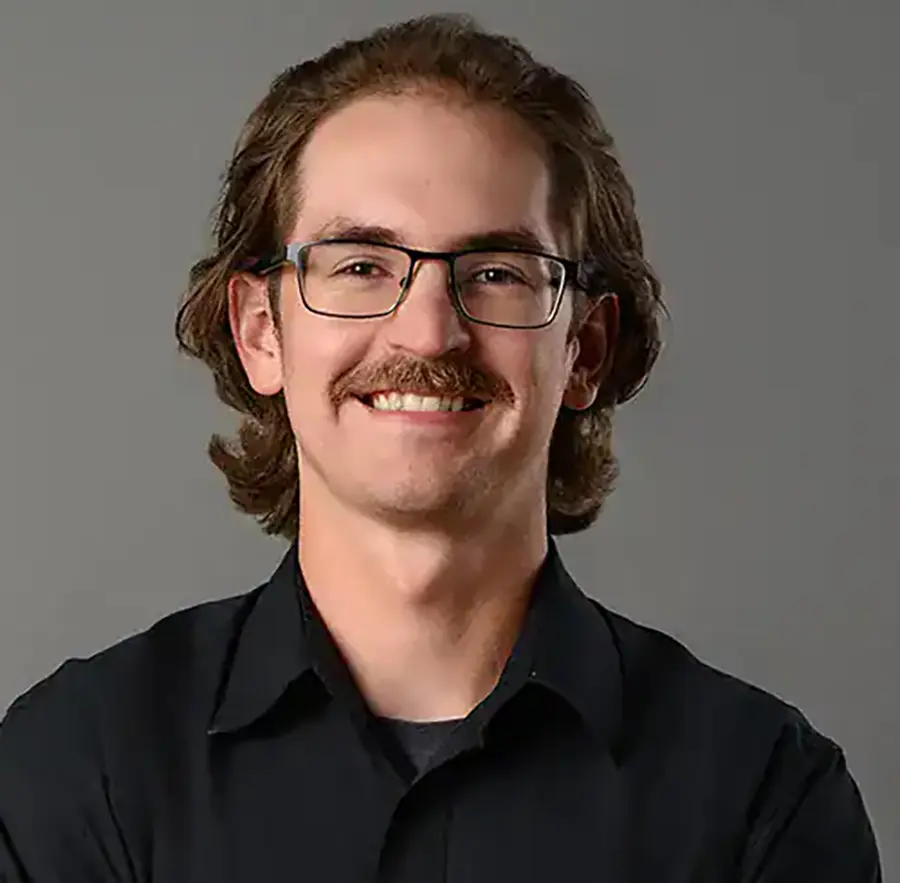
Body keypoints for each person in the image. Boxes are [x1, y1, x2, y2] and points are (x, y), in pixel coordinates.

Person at [0, 13, 882, 882]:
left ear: (584, 350)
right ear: (261, 331)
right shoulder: (81, 771)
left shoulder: (759, 798)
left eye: (495, 272)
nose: (427, 333)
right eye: (358, 265)